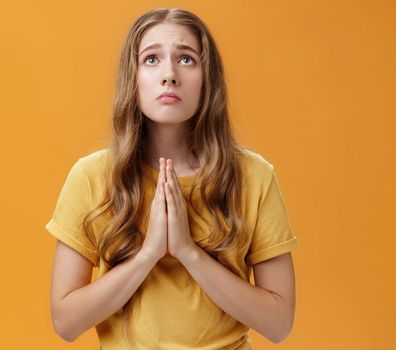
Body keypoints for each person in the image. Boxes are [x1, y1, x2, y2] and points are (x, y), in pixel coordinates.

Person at [45, 7, 299, 349]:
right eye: (151, 59)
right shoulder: (90, 177)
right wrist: (149, 253)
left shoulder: (255, 177)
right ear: (132, 77)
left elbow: (279, 324)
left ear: (207, 78)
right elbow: (66, 322)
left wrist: (188, 252)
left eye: (187, 59)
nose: (169, 75)